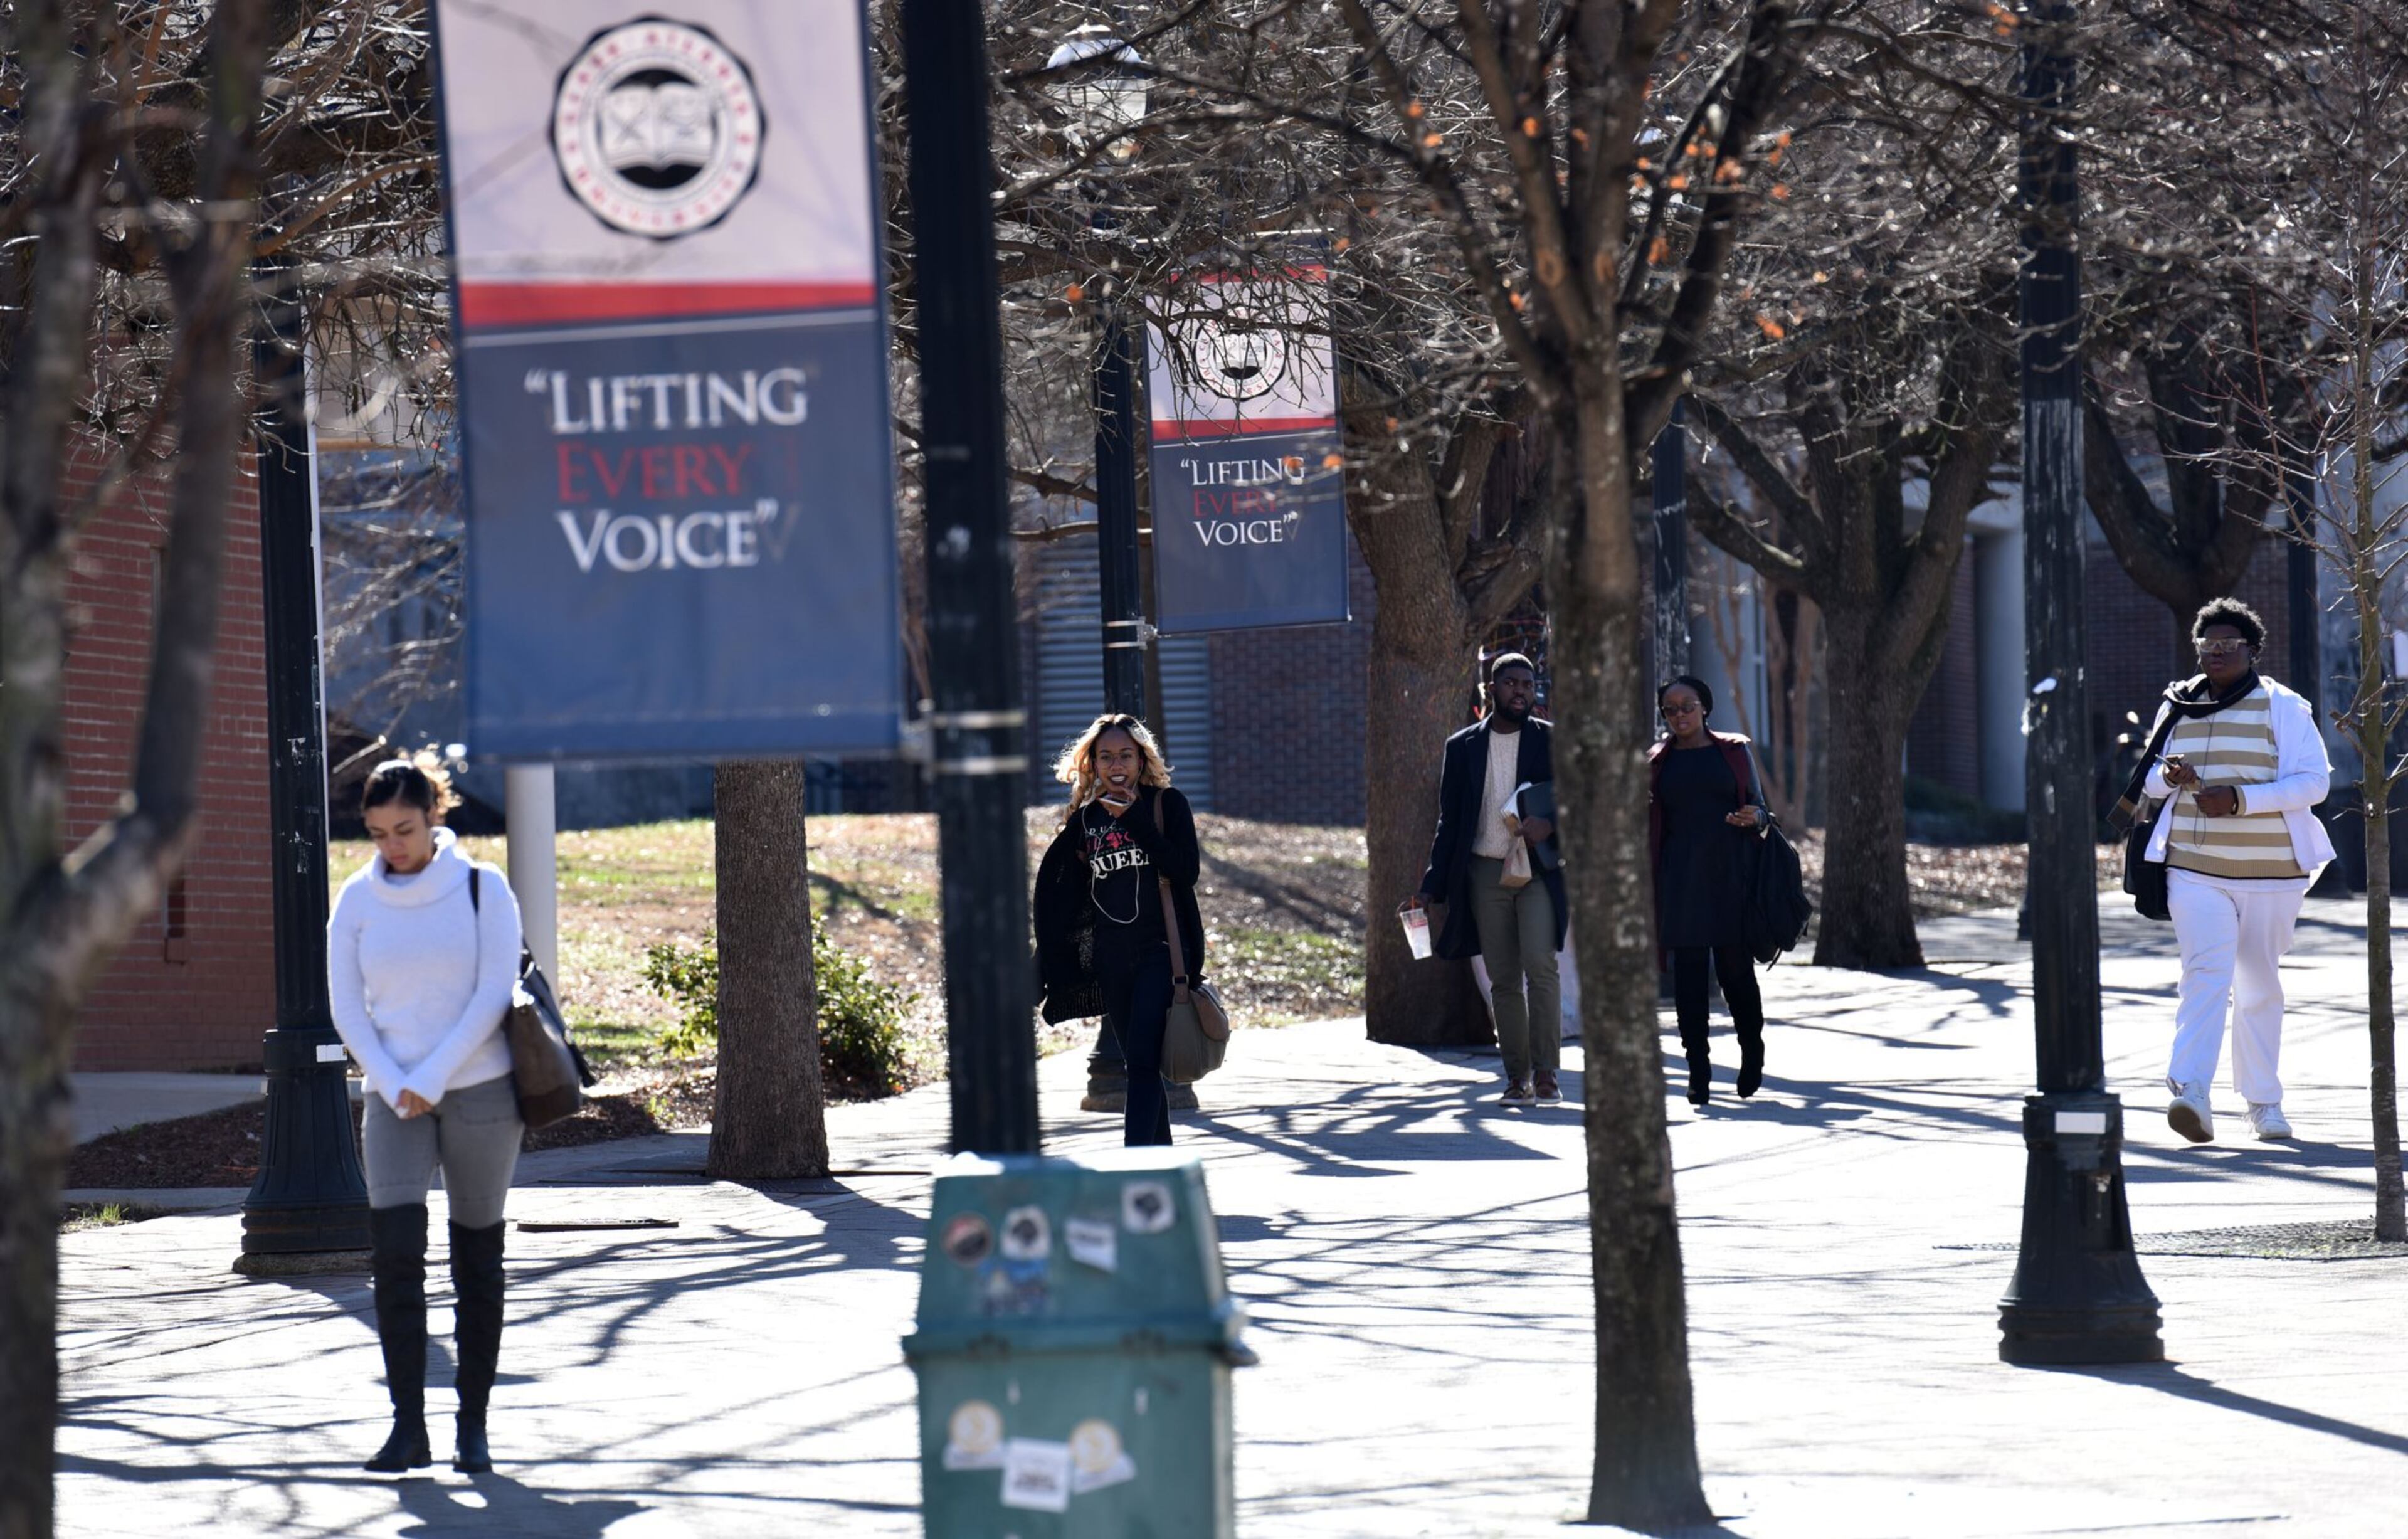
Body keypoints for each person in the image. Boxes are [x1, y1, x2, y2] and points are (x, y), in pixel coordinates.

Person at [327, 753, 525, 1474]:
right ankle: (407, 1427)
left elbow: (493, 992)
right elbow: (348, 1006)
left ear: (434, 813)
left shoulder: (482, 888)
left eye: (404, 829)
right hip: (393, 1096)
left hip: (480, 1092)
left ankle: (473, 1426)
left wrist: (434, 1076)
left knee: (478, 1262)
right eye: (378, 833)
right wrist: (393, 1079)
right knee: (396, 1259)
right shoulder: (355, 899)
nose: (393, 847)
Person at [2138, 598, 2334, 1143]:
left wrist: (2240, 800)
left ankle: (2263, 1103)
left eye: (2228, 645)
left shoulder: (2283, 707)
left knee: (2258, 985)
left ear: (2252, 650)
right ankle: (2191, 1092)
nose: (2216, 653)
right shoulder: (2177, 705)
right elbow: (2149, 782)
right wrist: (2171, 778)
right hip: (2195, 869)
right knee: (2206, 974)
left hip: (2272, 873)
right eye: (2207, 645)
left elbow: (2313, 783)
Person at [1033, 714, 1208, 1146]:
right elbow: (1065, 901)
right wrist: (1044, 963)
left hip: (1160, 953)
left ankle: (1135, 1167)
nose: (1117, 765)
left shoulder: (1168, 805)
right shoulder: (1087, 820)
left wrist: (1135, 821)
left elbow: (1185, 872)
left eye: (1126, 756)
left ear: (1141, 759)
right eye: (1106, 756)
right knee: (1138, 1064)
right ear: (1092, 763)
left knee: (1145, 1066)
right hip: (1112, 960)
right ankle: (1163, 1171)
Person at [1407, 653, 1567, 1103]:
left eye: (1528, 684)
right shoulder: (1462, 747)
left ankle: (1547, 1071)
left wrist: (1551, 824)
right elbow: (1450, 822)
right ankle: (1517, 1078)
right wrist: (1431, 886)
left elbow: (1577, 800)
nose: (1521, 691)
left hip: (1535, 870)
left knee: (1541, 963)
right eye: (1512, 683)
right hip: (1483, 870)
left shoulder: (1551, 742)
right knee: (1502, 978)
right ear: (1491, 689)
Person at [1648, 676, 1773, 1107]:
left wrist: (1754, 818)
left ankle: (1751, 1050)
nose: (1680, 715)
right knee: (1688, 978)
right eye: (1670, 709)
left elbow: (1761, 806)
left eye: (1688, 706)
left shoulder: (1735, 751)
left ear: (1705, 707)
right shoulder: (1656, 761)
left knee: (1736, 972)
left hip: (1731, 874)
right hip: (1680, 878)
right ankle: (1697, 1070)